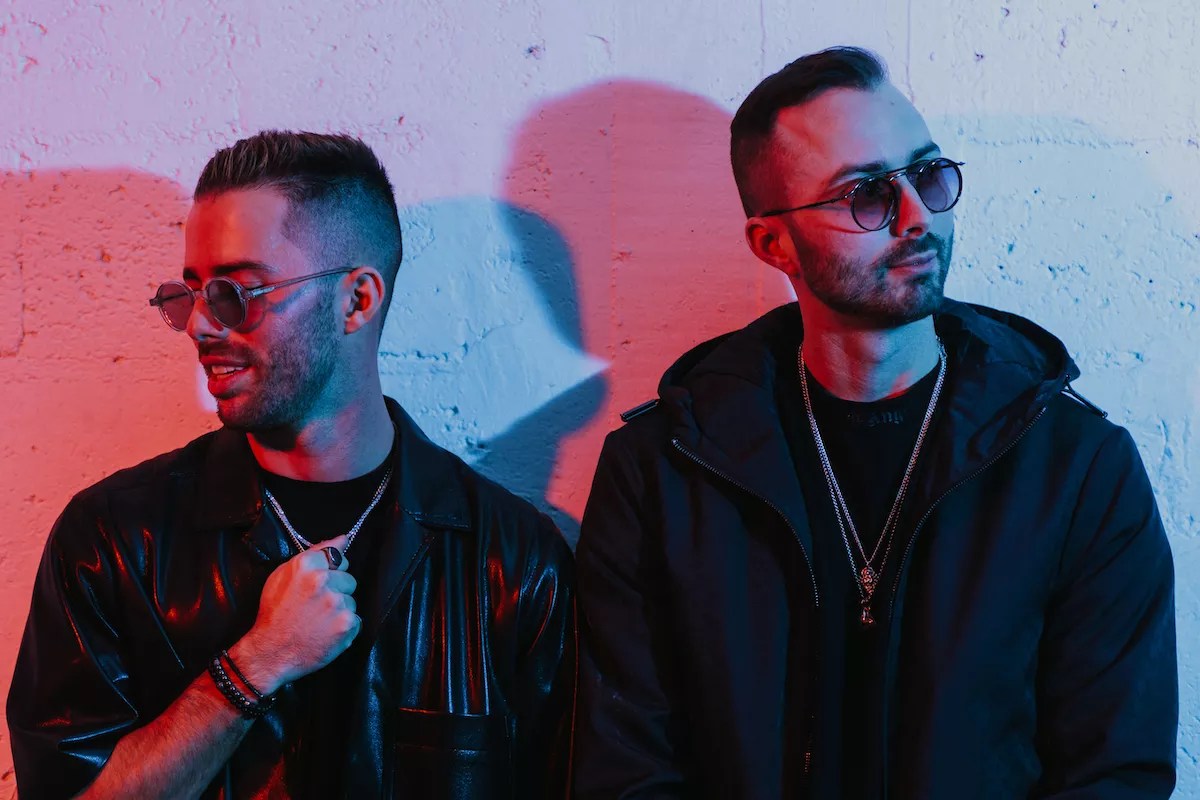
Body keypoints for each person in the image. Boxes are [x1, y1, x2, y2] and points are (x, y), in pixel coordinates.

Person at [573, 47, 1176, 799]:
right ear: (773, 244)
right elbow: (625, 772)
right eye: (865, 194)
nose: (918, 216)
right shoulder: (659, 473)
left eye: (928, 175)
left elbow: (1115, 773)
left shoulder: (1076, 468)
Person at [7, 131, 576, 799]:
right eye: (191, 293)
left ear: (356, 301)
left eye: (237, 292)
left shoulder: (511, 563)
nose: (201, 326)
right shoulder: (114, 541)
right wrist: (252, 668)